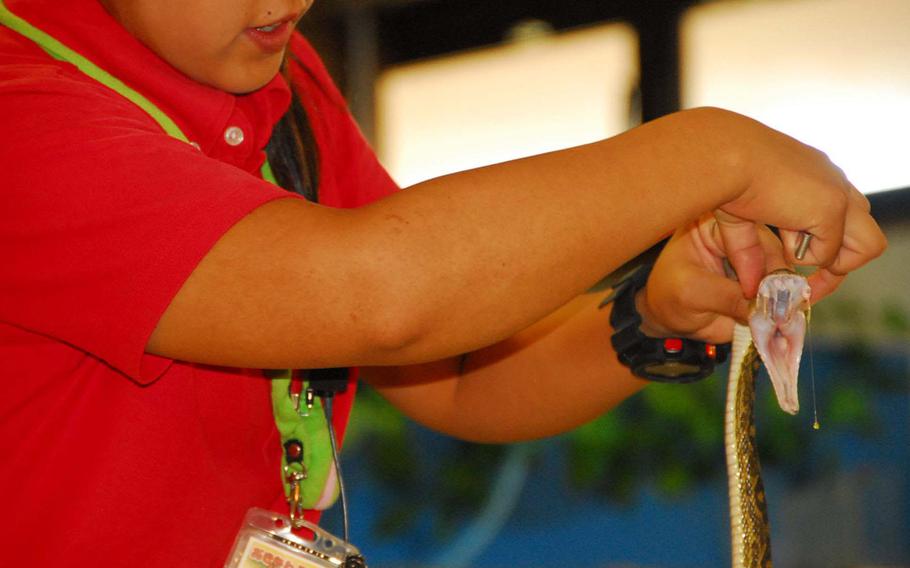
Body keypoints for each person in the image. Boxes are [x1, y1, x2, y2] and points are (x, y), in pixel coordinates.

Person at [0, 0, 886, 566]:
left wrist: (654, 315)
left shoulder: (275, 73)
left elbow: (457, 371)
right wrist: (706, 151)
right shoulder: (23, 111)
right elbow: (382, 299)